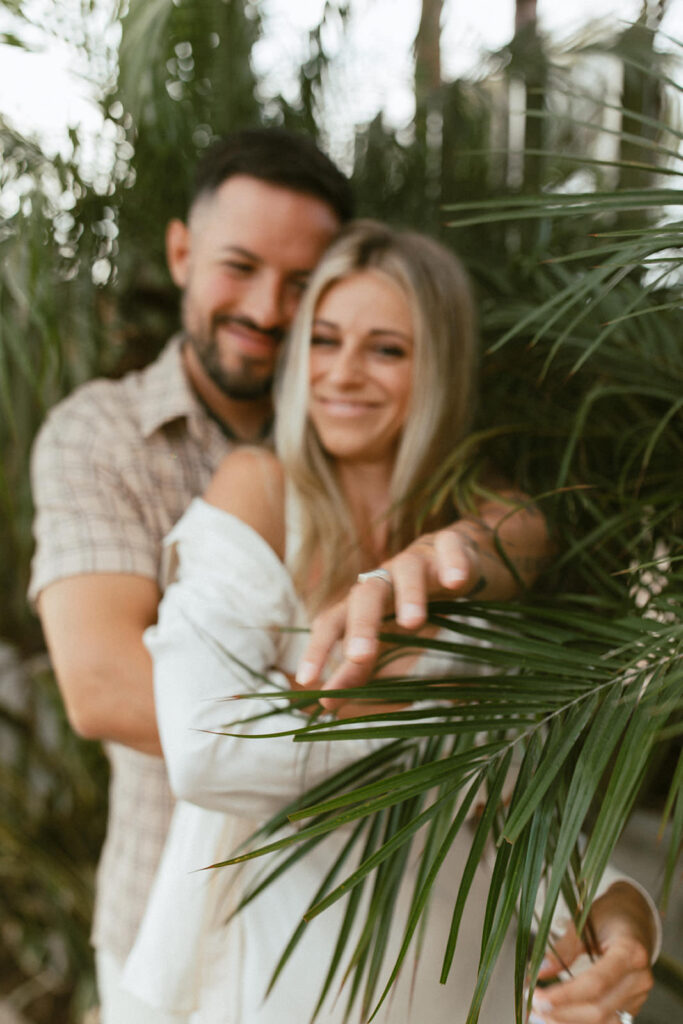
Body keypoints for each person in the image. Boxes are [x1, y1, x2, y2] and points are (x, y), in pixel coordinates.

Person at [28, 130, 552, 1022]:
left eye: (302, 285)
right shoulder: (104, 434)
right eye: (239, 266)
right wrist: (441, 729)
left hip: (410, 933)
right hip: (182, 908)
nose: (269, 310)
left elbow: (527, 572)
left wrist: (484, 548)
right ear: (182, 254)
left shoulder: (437, 484)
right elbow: (109, 691)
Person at [122, 221, 659, 1023]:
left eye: (386, 350)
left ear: (438, 367)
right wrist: (463, 739)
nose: (342, 374)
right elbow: (206, 753)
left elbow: (525, 807)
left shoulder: (491, 531)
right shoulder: (260, 489)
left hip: (448, 973)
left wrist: (625, 915)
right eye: (325, 340)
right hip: (269, 975)